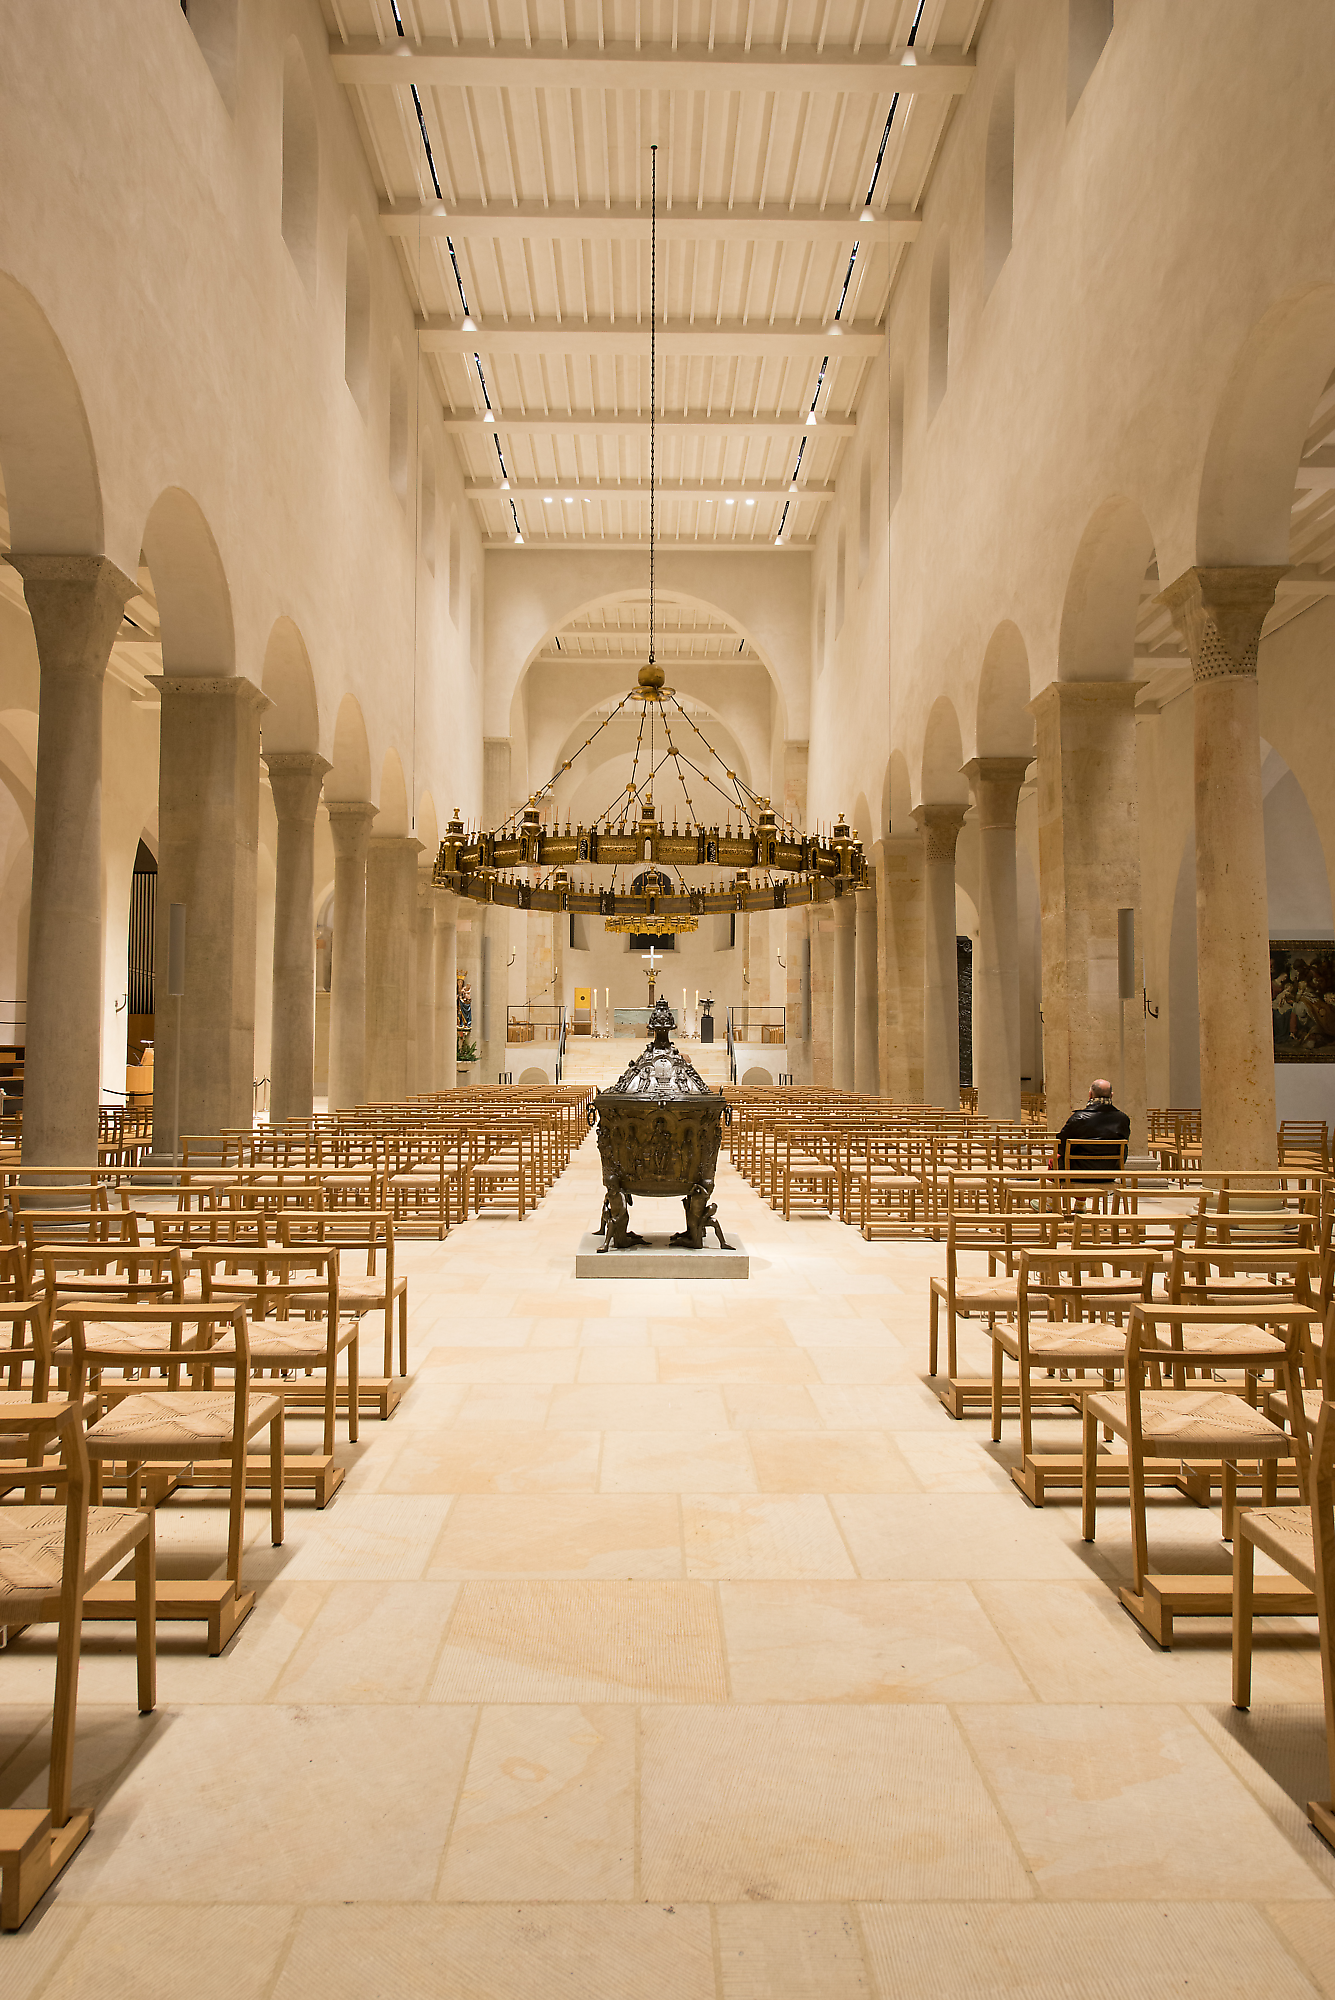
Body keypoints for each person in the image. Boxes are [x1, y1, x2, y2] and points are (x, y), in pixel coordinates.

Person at [1053, 1079, 1131, 1178]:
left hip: (1077, 1173)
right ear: (1111, 1095)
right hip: (1110, 1172)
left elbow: (1061, 1146)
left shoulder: (1078, 1118)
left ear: (1090, 1095)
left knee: (1055, 1159)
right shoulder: (1123, 1119)